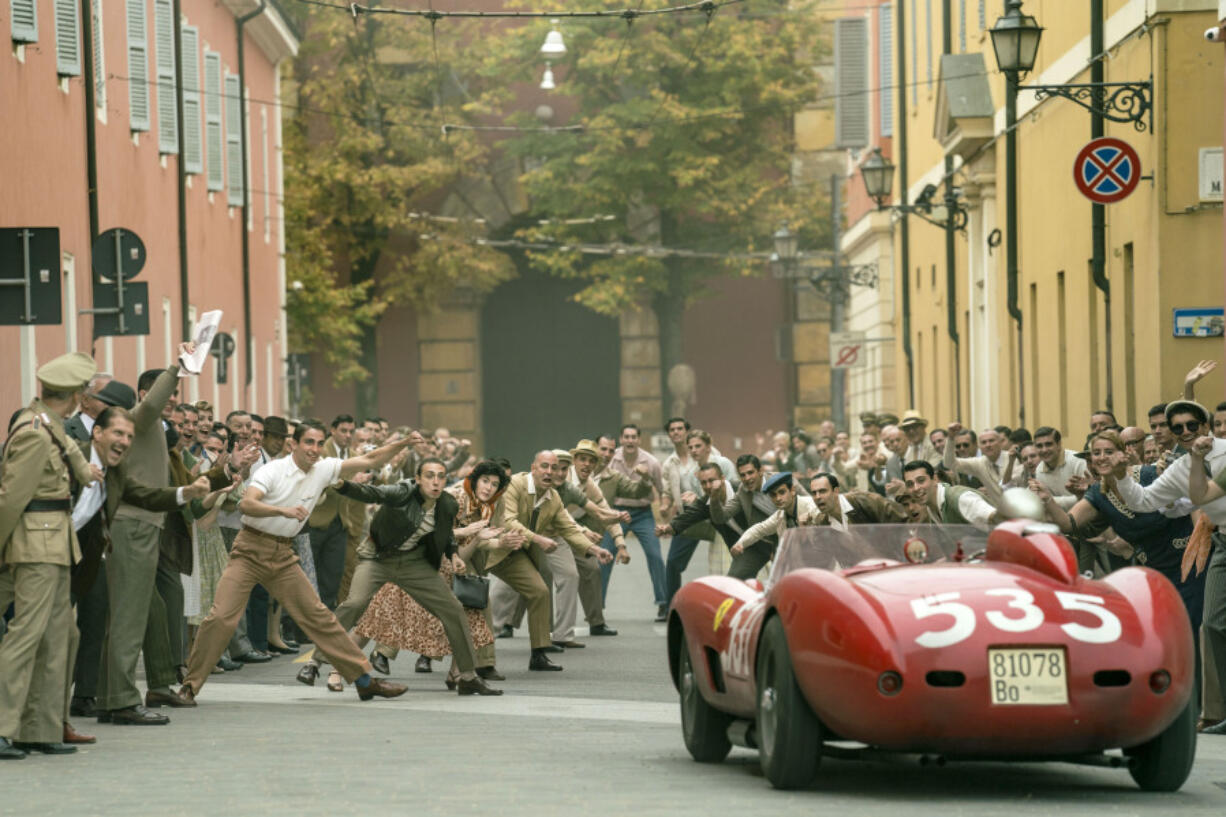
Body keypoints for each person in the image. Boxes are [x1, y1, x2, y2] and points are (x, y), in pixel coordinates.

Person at [178, 421, 412, 703]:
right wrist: (283, 511)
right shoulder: (272, 470)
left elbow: (371, 459)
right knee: (220, 617)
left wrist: (402, 443)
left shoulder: (324, 468)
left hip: (282, 555)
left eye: (318, 443)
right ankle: (190, 687)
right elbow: (246, 504)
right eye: (308, 443)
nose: (314, 449)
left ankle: (364, 681)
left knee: (319, 617)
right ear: (295, 445)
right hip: (250, 549)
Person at [299, 455, 502, 696]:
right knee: (354, 603)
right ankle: (314, 663)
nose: (436, 482)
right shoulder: (402, 492)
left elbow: (445, 534)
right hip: (378, 559)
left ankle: (468, 676)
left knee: (453, 608)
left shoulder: (447, 504)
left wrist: (454, 554)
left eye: (440, 477)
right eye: (429, 476)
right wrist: (341, 484)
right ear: (417, 479)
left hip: (413, 564)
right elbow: (371, 493)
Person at [0, 353, 101, 759]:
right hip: (36, 542)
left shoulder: (47, 425)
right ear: (76, 396)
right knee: (26, 636)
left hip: (55, 542)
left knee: (60, 636)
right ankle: (4, 725)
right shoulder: (34, 433)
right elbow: (10, 500)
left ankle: (38, 726)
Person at [1037, 431, 1202, 619]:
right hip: (1154, 572)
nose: (1102, 458)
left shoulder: (1149, 475)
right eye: (1096, 453)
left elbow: (1194, 502)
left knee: (1192, 625)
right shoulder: (1098, 493)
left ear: (1123, 454)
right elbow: (1069, 523)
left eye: (1109, 452)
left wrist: (1199, 543)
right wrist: (1047, 499)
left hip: (1187, 563)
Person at [494, 451, 613, 671]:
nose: (550, 472)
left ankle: (538, 653)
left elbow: (567, 528)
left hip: (525, 547)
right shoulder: (516, 486)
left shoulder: (553, 497)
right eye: (545, 467)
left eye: (554, 467)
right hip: (498, 546)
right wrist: (538, 539)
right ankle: (462, 648)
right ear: (533, 468)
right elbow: (509, 521)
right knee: (495, 601)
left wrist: (594, 549)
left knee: (540, 591)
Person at [606, 425, 668, 622]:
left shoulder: (651, 462)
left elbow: (662, 490)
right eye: (626, 437)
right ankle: (596, 609)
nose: (630, 440)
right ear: (621, 439)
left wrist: (665, 507)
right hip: (616, 512)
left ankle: (663, 604)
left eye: (634, 437)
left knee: (655, 556)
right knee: (604, 556)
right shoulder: (611, 460)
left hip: (643, 514)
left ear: (639, 440)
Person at [728, 473, 818, 557]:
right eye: (773, 495)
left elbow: (824, 519)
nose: (778, 498)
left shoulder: (811, 505)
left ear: (792, 491)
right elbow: (758, 530)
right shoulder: (780, 516)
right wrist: (740, 544)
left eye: (782, 492)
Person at [903, 460, 997, 531]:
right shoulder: (931, 507)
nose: (915, 488)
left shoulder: (960, 498)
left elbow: (999, 519)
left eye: (921, 480)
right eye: (910, 484)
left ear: (935, 479)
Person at [808, 472, 907, 530]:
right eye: (814, 493)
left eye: (822, 491)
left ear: (836, 491)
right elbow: (822, 558)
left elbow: (901, 522)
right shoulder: (823, 522)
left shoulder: (864, 501)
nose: (817, 497)